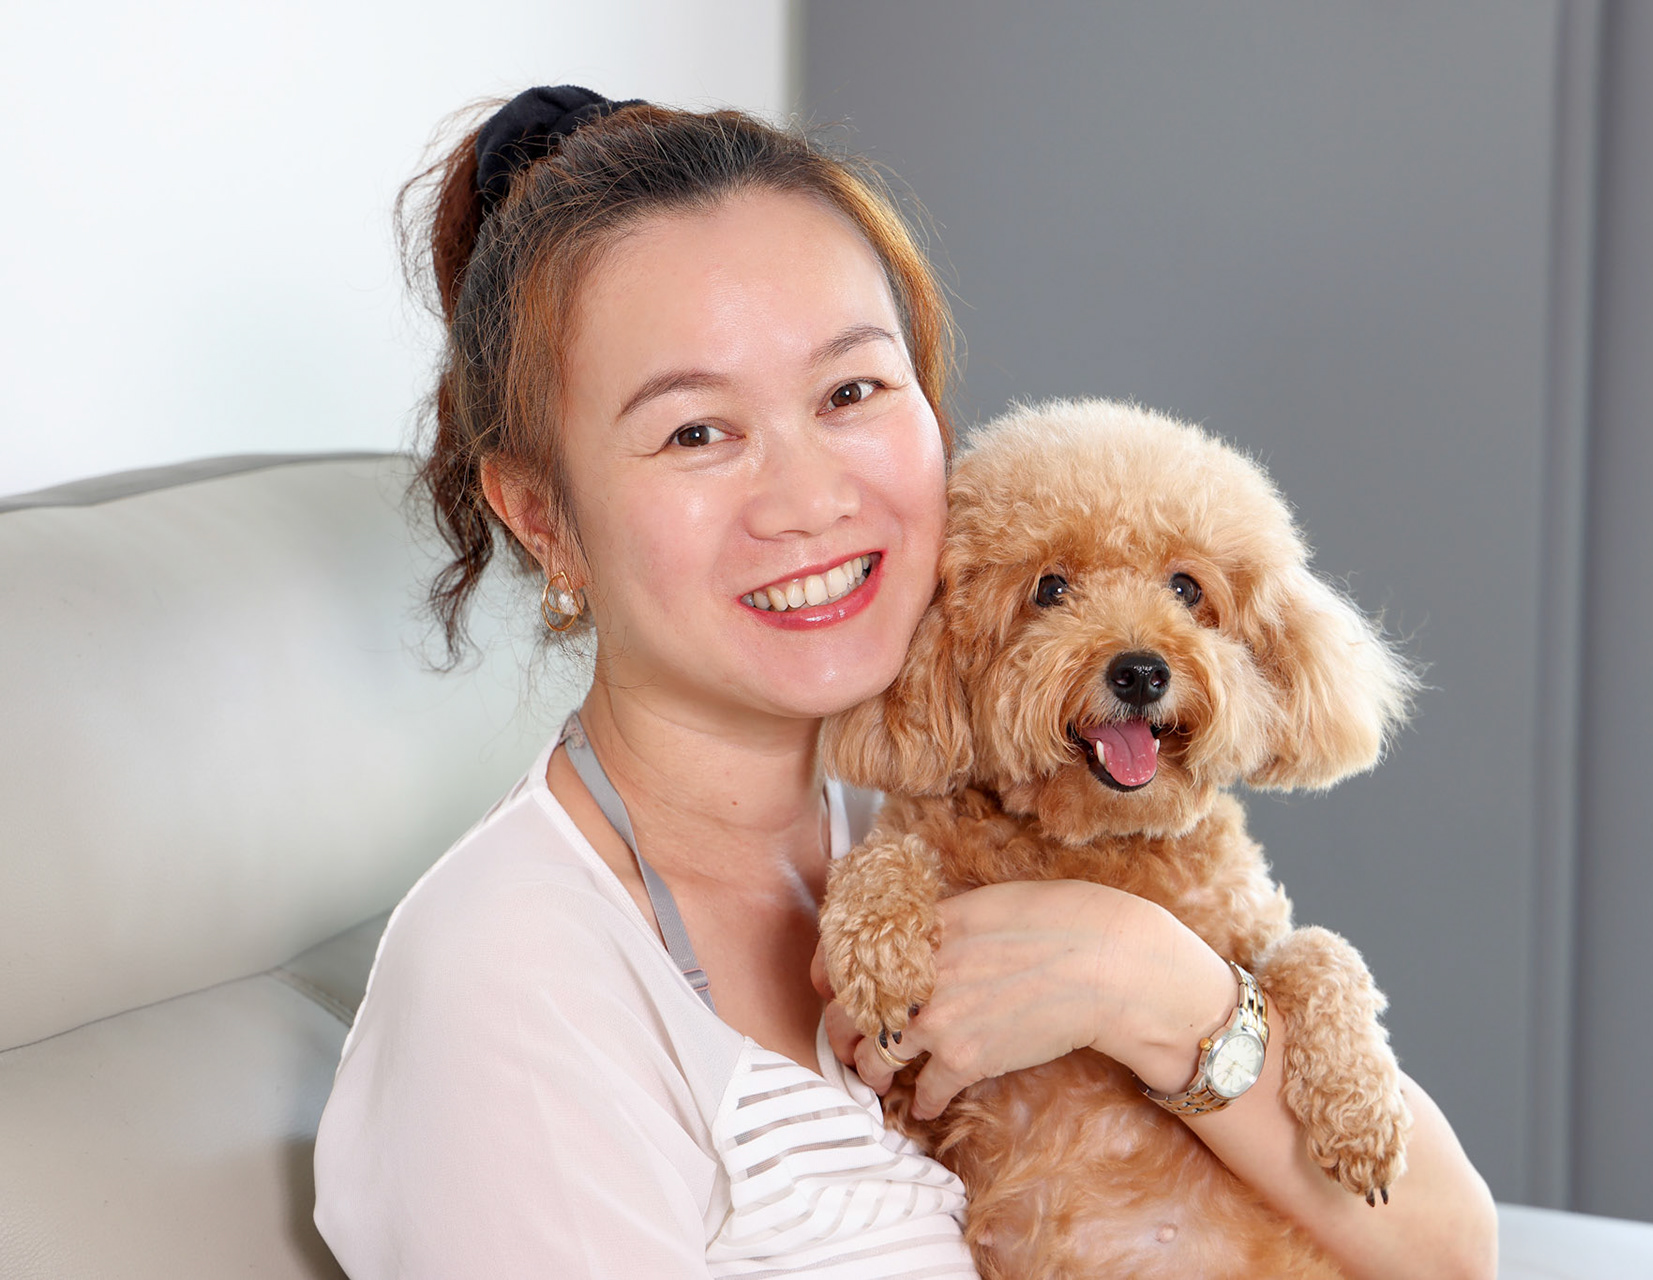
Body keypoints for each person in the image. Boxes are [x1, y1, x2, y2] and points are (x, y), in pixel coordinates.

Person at [312, 87, 1498, 1279]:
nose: (812, 496)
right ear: (542, 518)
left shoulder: (969, 801)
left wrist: (1140, 978)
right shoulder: (512, 981)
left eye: (849, 392)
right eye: (695, 433)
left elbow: (1451, 1244)